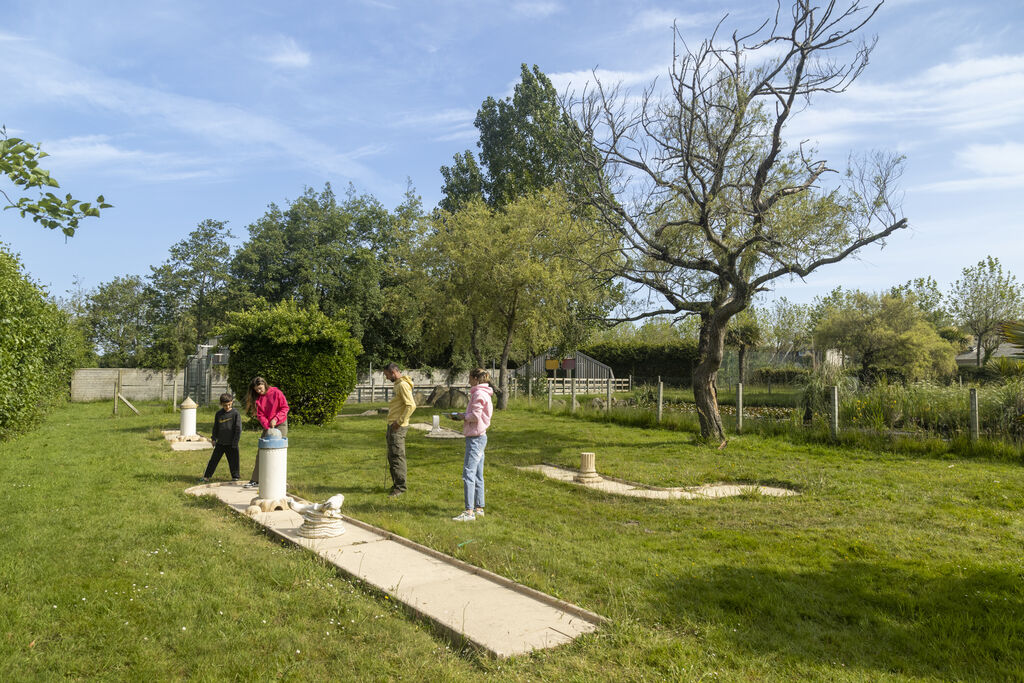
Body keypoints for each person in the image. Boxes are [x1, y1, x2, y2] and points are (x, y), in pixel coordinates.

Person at [450, 368, 493, 521]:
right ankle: (479, 508)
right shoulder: (482, 393)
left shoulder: (479, 394)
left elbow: (475, 416)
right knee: (477, 473)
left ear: (475, 378)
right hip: (480, 436)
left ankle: (469, 512)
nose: (468, 380)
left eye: (469, 377)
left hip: (476, 438)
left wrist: (462, 416)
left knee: (468, 473)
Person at [242, 376, 289, 489]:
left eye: (260, 388)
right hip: (268, 425)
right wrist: (268, 427)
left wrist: (276, 419)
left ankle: (280, 480)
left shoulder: (276, 393)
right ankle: (255, 480)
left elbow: (285, 408)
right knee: (262, 451)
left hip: (280, 423)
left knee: (278, 451)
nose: (259, 391)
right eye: (257, 390)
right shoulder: (258, 399)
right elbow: (260, 415)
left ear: (264, 384)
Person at [383, 362, 416, 497]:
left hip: (398, 426)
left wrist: (399, 421)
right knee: (392, 456)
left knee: (397, 456)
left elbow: (411, 405)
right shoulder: (397, 385)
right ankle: (396, 484)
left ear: (393, 372)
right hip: (392, 425)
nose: (386, 378)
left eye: (386, 375)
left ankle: (400, 487)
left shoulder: (402, 385)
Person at [199, 392, 242, 483]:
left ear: (232, 402)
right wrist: (214, 438)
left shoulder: (235, 414)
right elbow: (216, 427)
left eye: (229, 404)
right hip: (220, 443)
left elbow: (238, 429)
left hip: (232, 443)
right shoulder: (219, 414)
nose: (227, 407)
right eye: (225, 405)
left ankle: (235, 477)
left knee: (234, 461)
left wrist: (235, 442)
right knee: (213, 460)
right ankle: (207, 476)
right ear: (221, 404)